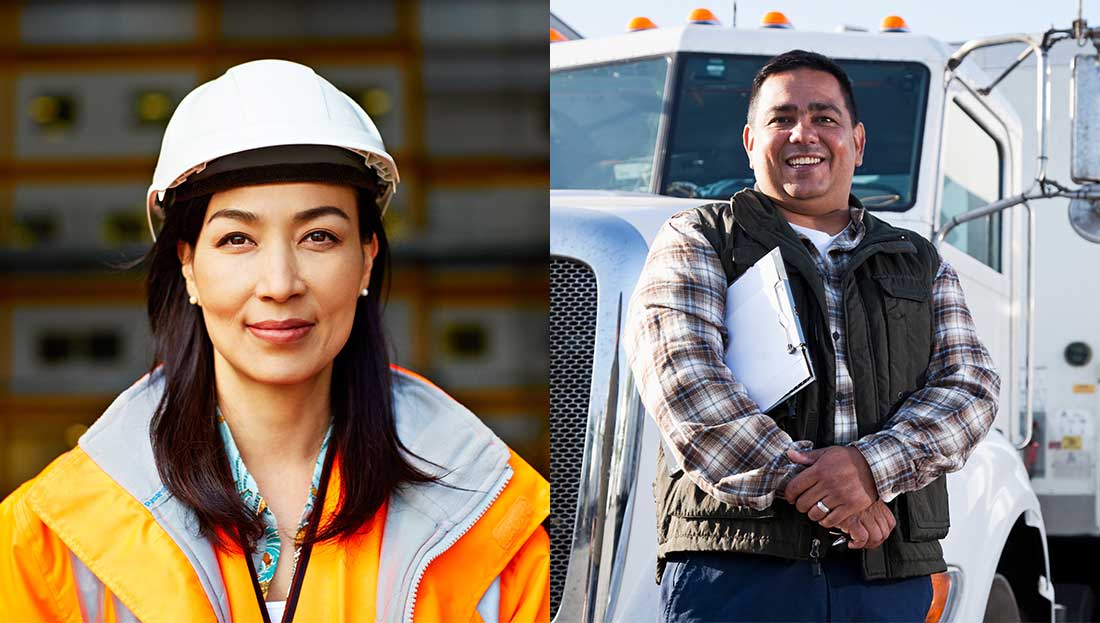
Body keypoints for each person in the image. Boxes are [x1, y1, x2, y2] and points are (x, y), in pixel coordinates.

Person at [0, 59, 549, 623]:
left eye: (319, 236)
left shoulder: (494, 525)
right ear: (188, 265)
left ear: (366, 260)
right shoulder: (50, 546)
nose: (280, 283)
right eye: (237, 238)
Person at [625, 49, 1000, 622]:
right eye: (782, 119)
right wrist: (835, 496)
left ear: (858, 141)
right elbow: (685, 383)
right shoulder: (697, 238)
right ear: (752, 141)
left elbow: (970, 388)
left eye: (825, 117)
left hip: (887, 571)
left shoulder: (920, 261)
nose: (804, 133)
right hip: (738, 570)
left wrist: (870, 469)